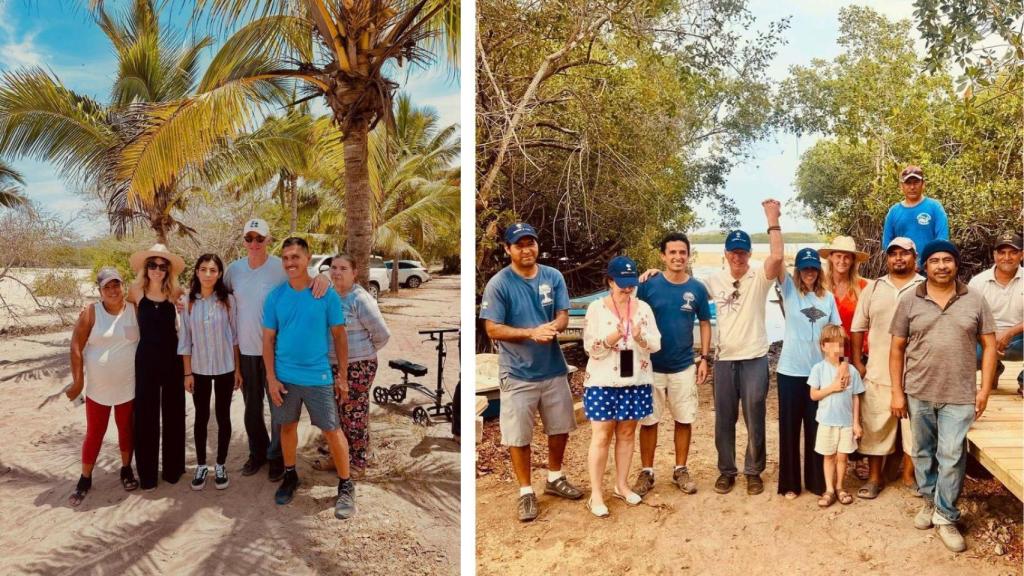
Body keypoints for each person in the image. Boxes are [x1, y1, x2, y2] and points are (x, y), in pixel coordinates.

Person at [890, 239, 997, 552]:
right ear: (924, 265)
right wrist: (897, 391)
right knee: (923, 452)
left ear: (956, 264)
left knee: (951, 455)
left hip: (960, 393)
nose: (941, 266)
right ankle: (930, 502)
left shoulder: (975, 299)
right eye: (934, 260)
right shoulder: (910, 300)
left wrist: (985, 389)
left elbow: (989, 345)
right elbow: (897, 349)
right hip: (919, 391)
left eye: (947, 260)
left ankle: (946, 516)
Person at [480, 222, 582, 523]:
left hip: (552, 368)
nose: (527, 249)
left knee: (559, 428)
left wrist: (555, 326)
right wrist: (530, 333)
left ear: (537, 246)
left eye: (531, 243)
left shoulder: (553, 276)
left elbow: (563, 314)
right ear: (508, 249)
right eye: (520, 244)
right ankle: (525, 491)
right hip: (517, 373)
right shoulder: (499, 284)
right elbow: (492, 328)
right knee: (518, 435)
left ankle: (554, 477)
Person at [224, 218, 330, 481]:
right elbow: (216, 295)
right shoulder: (234, 270)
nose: (254, 244)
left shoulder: (279, 268)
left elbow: (305, 278)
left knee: (278, 407)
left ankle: (275, 456)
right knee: (251, 409)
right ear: (244, 241)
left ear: (268, 241)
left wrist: (324, 277)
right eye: (249, 238)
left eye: (259, 238)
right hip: (247, 351)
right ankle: (256, 453)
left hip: (276, 352)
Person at [262, 237, 355, 519]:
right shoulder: (275, 297)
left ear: (307, 258)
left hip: (318, 376)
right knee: (287, 427)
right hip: (285, 377)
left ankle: (346, 485)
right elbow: (267, 340)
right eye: (286, 258)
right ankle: (291, 476)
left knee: (332, 429)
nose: (290, 262)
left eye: (296, 257)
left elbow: (339, 335)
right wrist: (272, 378)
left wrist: (343, 376)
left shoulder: (325, 294)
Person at [703, 200, 785, 496]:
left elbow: (777, 256)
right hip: (724, 360)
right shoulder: (714, 280)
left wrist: (771, 218)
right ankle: (726, 470)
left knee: (755, 415)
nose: (738, 256)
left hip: (754, 358)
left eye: (743, 251)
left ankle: (753, 471)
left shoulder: (759, 279)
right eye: (733, 251)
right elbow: (685, 292)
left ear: (750, 253)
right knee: (724, 418)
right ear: (725, 254)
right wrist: (653, 275)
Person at [581, 256, 660, 517]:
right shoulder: (596, 309)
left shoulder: (644, 309)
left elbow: (656, 344)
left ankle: (621, 485)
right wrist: (610, 338)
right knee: (602, 434)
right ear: (610, 281)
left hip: (635, 379)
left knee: (627, 433)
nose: (627, 290)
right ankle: (596, 493)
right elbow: (590, 348)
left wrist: (639, 336)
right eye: (622, 284)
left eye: (631, 285)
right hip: (603, 381)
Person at [634, 233, 711, 497]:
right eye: (672, 252)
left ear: (688, 255)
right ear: (663, 256)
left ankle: (681, 468)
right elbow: (629, 307)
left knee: (684, 418)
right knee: (649, 420)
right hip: (650, 366)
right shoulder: (648, 285)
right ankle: (647, 471)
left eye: (682, 252)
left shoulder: (697, 289)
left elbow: (704, 322)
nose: (678, 257)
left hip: (683, 365)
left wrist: (704, 357)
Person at [850, 237, 924, 499]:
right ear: (887, 258)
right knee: (875, 427)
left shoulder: (924, 287)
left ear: (915, 257)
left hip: (917, 374)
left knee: (914, 430)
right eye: (893, 254)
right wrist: (859, 362)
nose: (899, 259)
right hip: (879, 371)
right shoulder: (874, 288)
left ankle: (908, 476)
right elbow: (858, 326)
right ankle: (874, 478)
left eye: (905, 253)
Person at [66, 267, 140, 505]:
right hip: (98, 390)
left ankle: (126, 469)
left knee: (126, 430)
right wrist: (78, 381)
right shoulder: (91, 312)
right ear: (99, 291)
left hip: (128, 388)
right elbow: (76, 346)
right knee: (95, 433)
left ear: (123, 286)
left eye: (116, 285)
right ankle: (85, 479)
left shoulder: (134, 311)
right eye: (106, 287)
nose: (112, 290)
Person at [313, 254, 391, 474]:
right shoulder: (329, 296)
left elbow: (382, 334)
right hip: (332, 365)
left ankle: (358, 463)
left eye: (343, 268)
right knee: (336, 414)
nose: (337, 272)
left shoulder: (360, 298)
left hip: (358, 367)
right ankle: (338, 457)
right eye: (334, 267)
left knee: (353, 414)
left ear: (354, 272)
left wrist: (362, 352)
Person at [775, 248, 838, 500]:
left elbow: (835, 334)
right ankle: (789, 483)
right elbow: (777, 260)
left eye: (813, 267)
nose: (809, 272)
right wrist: (773, 220)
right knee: (789, 428)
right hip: (790, 372)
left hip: (818, 374)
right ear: (798, 270)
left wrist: (840, 365)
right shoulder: (789, 290)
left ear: (819, 270)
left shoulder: (828, 298)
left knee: (817, 428)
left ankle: (816, 480)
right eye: (805, 268)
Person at [178, 254, 240, 491]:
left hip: (225, 367)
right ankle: (202, 465)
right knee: (201, 416)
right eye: (203, 269)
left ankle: (221, 464)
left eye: (213, 270)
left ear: (220, 274)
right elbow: (185, 339)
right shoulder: (188, 302)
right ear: (196, 272)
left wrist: (237, 370)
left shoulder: (228, 301)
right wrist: (187, 373)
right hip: (199, 369)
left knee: (223, 416)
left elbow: (234, 337)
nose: (207, 274)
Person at [127, 244, 186, 491]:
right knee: (146, 416)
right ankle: (148, 475)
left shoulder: (176, 293)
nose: (157, 270)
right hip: (146, 360)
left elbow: (193, 309)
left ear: (168, 270)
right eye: (153, 265)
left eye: (163, 266)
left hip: (172, 359)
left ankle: (173, 471)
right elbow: (114, 308)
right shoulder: (135, 292)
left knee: (173, 414)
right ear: (146, 267)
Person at [808, 324, 865, 508]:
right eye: (831, 345)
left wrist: (856, 423)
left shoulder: (852, 371)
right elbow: (813, 394)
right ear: (823, 346)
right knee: (829, 456)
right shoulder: (818, 369)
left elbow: (856, 397)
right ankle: (829, 489)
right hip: (826, 421)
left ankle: (840, 486)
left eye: (840, 345)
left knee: (842, 457)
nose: (836, 349)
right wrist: (832, 387)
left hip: (846, 423)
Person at [968, 232, 1023, 393]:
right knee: (959, 348)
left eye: (1013, 252)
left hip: (1019, 340)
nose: (1007, 257)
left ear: (1022, 255)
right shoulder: (978, 282)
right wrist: (989, 338)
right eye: (1002, 252)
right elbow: (969, 318)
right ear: (994, 255)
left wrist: (1009, 333)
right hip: (984, 339)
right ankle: (993, 367)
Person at [882, 165, 949, 266]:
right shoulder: (893, 212)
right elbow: (887, 244)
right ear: (901, 186)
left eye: (916, 182)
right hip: (902, 268)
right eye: (908, 183)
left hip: (930, 268)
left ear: (923, 184)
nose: (912, 187)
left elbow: (942, 239)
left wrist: (924, 262)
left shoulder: (935, 207)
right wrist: (904, 263)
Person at [819, 236, 869, 359]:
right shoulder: (820, 285)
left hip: (855, 354)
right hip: (825, 355)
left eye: (847, 257)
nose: (842, 260)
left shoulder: (863, 286)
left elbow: (869, 323)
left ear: (853, 260)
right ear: (830, 257)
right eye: (838, 256)